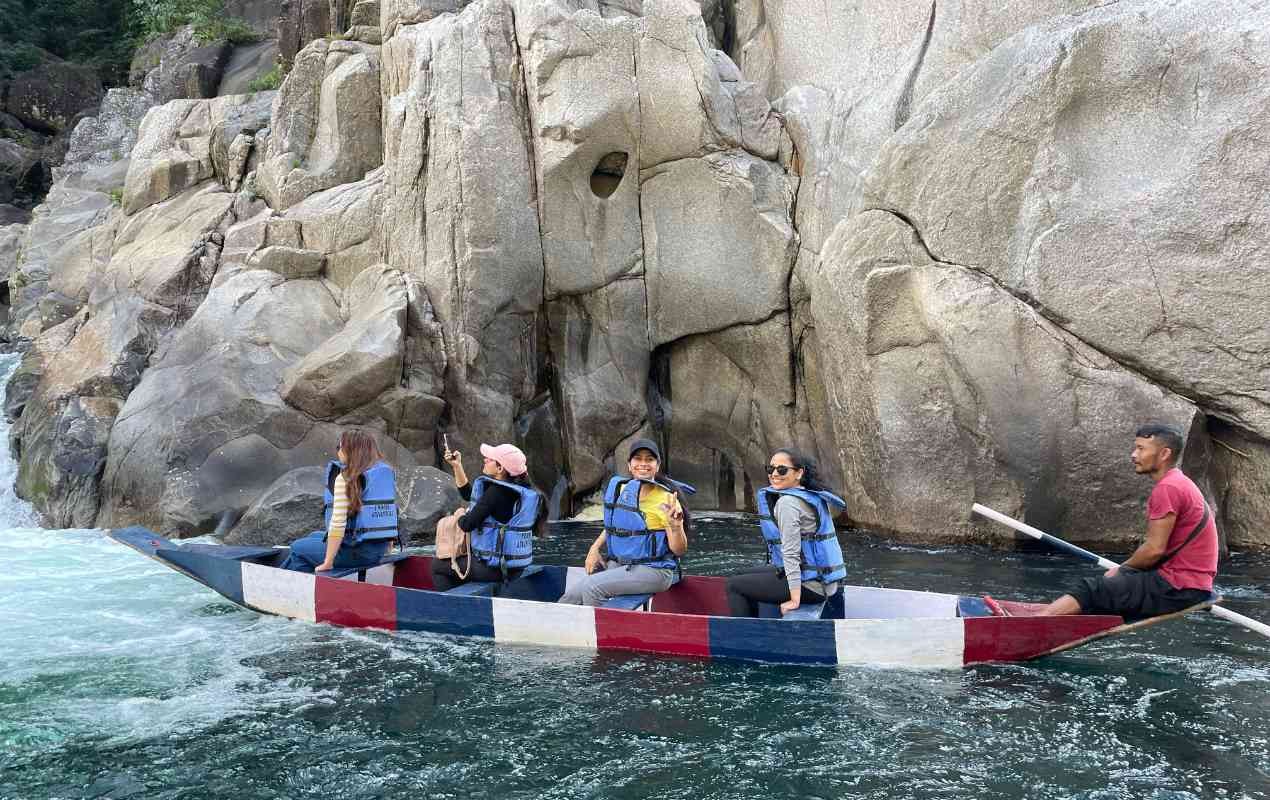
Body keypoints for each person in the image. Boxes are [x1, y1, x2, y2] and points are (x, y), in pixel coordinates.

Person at [1040, 424, 1218, 618]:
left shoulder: (1168, 488)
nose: (1134, 455)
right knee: (1103, 595)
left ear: (1164, 453)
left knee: (1090, 590)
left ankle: (1034, 625)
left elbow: (1154, 550)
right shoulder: (1180, 482)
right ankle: (1050, 619)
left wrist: (1123, 569)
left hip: (1177, 588)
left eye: (1141, 449)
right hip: (1189, 585)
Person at [559, 439, 693, 606]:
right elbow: (614, 525)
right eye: (638, 458)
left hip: (654, 570)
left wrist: (676, 526)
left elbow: (678, 550)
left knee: (592, 588)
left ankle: (601, 631)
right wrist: (594, 548)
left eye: (649, 459)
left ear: (657, 466)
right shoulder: (623, 490)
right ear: (629, 465)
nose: (643, 463)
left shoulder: (666, 500)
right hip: (622, 564)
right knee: (569, 599)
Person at [726, 448, 847, 617]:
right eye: (770, 469)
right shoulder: (810, 494)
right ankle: (759, 626)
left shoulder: (787, 504)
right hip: (824, 580)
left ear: (799, 473)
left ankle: (748, 637)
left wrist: (794, 599)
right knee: (740, 575)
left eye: (782, 470)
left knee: (734, 585)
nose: (774, 474)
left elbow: (791, 553)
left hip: (812, 586)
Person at [280, 429, 400, 573]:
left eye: (339, 447)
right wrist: (388, 547)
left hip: (358, 553)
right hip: (378, 550)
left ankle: (303, 586)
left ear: (349, 450)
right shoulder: (384, 473)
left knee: (297, 548)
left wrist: (328, 562)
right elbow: (390, 514)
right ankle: (281, 575)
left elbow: (338, 525)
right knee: (314, 536)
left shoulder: (345, 478)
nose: (338, 451)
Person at [432, 442, 547, 591]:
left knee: (437, 566)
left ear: (500, 468)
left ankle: (454, 609)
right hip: (516, 568)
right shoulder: (523, 491)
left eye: (490, 458)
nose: (485, 459)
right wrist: (457, 466)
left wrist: (460, 515)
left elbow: (467, 524)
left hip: (495, 570)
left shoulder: (497, 492)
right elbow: (469, 495)